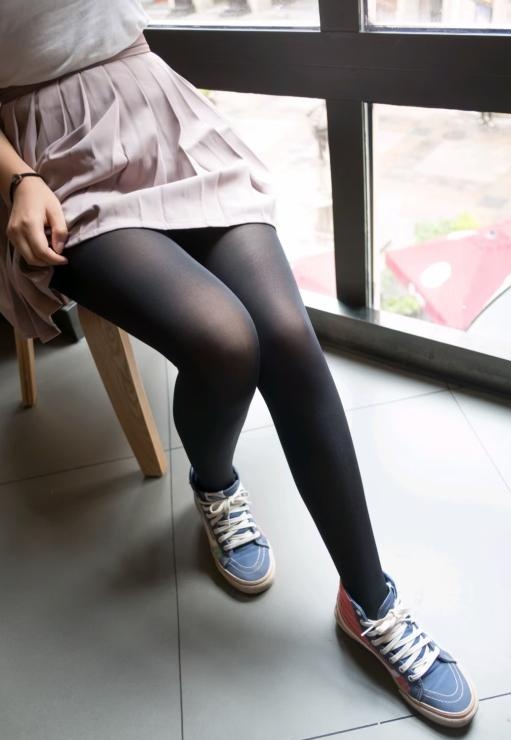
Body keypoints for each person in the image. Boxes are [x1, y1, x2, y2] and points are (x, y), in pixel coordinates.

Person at [0, 0, 479, 728]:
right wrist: (16, 180)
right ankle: (215, 484)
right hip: (46, 155)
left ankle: (370, 601)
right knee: (224, 342)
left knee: (285, 336)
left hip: (154, 105)